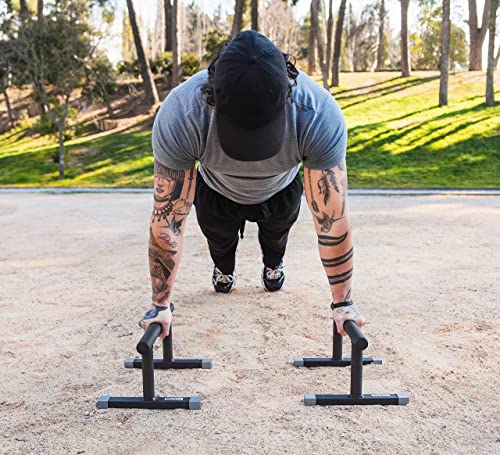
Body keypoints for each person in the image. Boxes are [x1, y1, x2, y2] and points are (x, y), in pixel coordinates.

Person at [139, 30, 365, 339]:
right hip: (215, 190)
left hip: (280, 188)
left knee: (276, 240)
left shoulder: (317, 115)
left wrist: (343, 304)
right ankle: (224, 269)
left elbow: (333, 221)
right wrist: (159, 304)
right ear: (212, 95)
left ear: (288, 92)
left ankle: (274, 265)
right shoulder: (182, 114)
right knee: (220, 243)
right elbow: (168, 220)